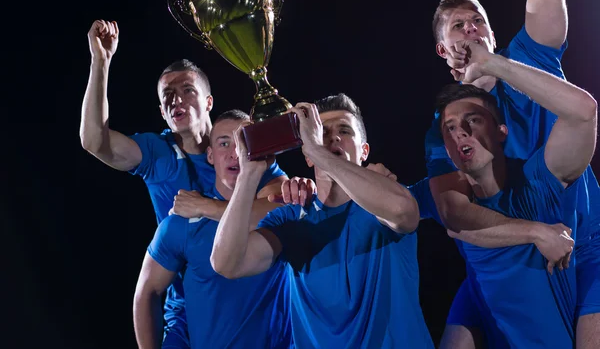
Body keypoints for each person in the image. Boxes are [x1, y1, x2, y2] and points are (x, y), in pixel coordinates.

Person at [423, 0, 600, 347]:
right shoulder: (444, 126)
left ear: (491, 31)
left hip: (582, 244)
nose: (471, 30)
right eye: (458, 27)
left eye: (477, 21)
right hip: (503, 260)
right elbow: (456, 216)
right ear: (443, 50)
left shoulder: (527, 60)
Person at [80, 20, 288, 347]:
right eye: (168, 95)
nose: (176, 99)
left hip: (247, 302)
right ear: (163, 113)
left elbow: (282, 213)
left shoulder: (247, 155)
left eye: (187, 90)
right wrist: (100, 63)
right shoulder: (159, 154)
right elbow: (94, 142)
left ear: (208, 101)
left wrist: (206, 207)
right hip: (187, 306)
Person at [210, 93, 434, 349]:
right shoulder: (292, 217)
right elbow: (226, 263)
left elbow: (405, 213)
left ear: (364, 151)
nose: (334, 137)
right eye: (322, 132)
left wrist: (318, 149)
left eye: (345, 131)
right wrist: (249, 174)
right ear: (306, 156)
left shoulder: (383, 200)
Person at [435, 37, 597, 347]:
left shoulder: (536, 183)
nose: (461, 132)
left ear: (501, 132)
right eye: (450, 128)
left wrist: (494, 63)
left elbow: (584, 112)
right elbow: (448, 218)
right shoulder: (444, 198)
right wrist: (537, 233)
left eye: (473, 120)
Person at [133, 110, 300, 348]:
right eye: (224, 144)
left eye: (244, 143)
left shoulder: (281, 208)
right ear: (210, 155)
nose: (235, 153)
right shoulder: (181, 223)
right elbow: (147, 291)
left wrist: (206, 206)